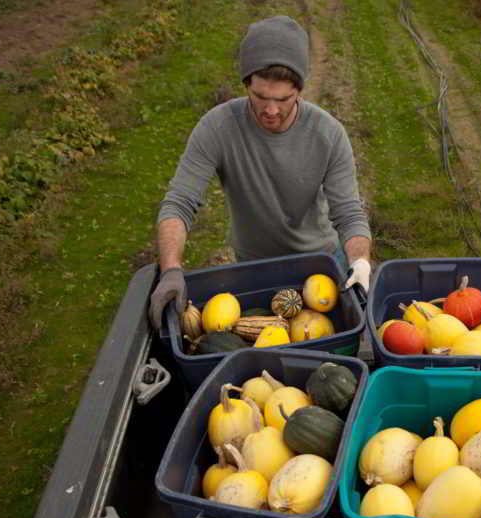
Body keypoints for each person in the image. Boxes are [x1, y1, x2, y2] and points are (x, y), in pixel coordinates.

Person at [148, 15, 373, 329]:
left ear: (300, 91)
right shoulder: (217, 128)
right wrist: (171, 268)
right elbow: (180, 202)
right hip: (254, 267)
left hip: (320, 262)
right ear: (245, 85)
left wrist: (359, 262)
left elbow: (349, 213)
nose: (271, 111)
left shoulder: (328, 134)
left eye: (283, 100)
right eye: (260, 97)